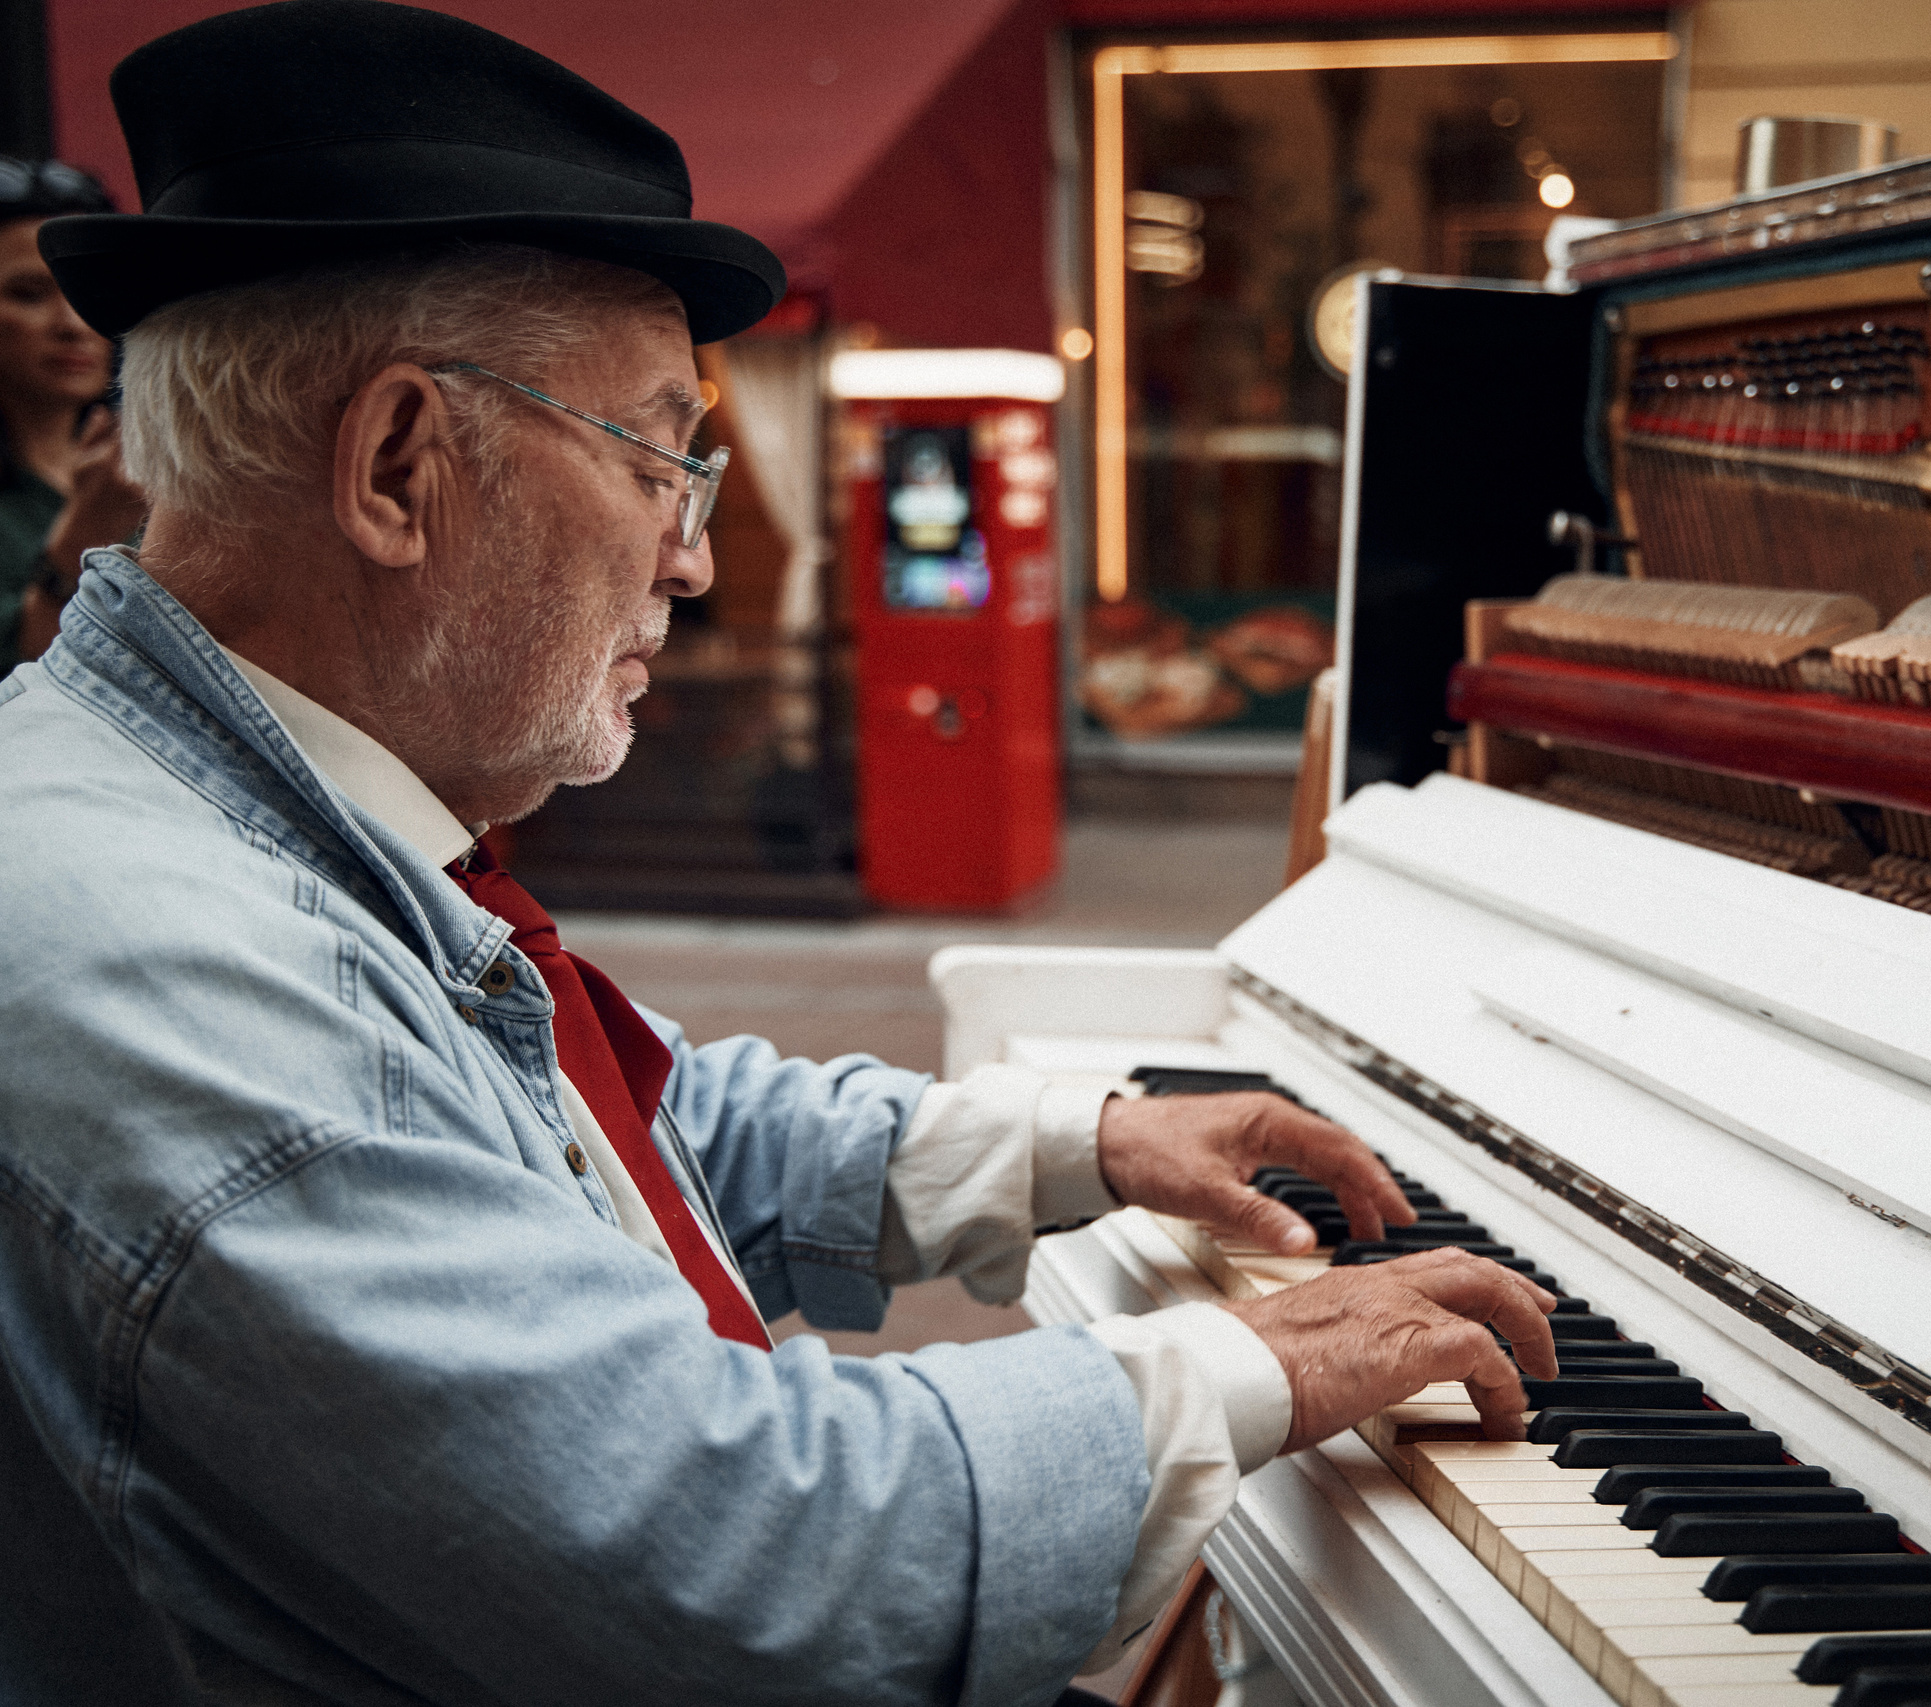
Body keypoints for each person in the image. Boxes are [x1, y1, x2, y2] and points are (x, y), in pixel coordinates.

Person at [0, 6, 1557, 1706]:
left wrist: (1077, 1140)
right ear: (398, 464)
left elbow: (612, 1142)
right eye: (662, 452)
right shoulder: (156, 953)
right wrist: (1239, 1361)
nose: (693, 551)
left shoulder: (233, 822)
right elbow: (732, 1551)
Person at [0, 156, 146, 671]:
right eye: (28, 293)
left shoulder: (154, 465)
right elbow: (21, 686)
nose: (72, 323)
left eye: (86, 290)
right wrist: (84, 538)